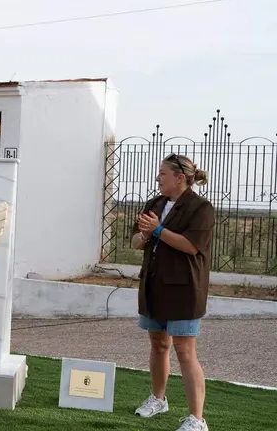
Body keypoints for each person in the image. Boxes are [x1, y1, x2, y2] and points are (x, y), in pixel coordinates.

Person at [131, 153, 214, 431]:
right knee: (158, 344)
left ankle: (197, 419)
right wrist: (144, 235)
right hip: (154, 286)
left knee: (185, 351)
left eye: (162, 174)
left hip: (184, 290)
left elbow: (191, 246)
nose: (157, 178)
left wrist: (156, 230)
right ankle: (158, 399)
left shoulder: (200, 207)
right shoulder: (154, 203)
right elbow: (134, 242)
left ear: (179, 178)